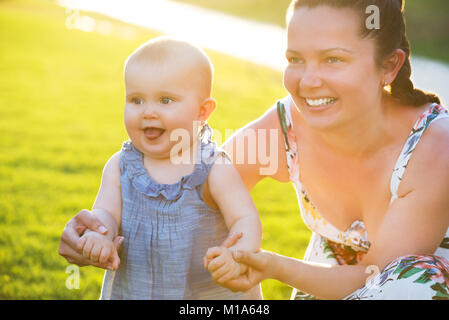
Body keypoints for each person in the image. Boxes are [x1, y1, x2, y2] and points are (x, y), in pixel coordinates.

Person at [60, 0, 449, 300]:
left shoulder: (435, 146)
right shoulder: (285, 128)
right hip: (327, 282)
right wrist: (99, 230)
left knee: (412, 285)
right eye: (295, 59)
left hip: (403, 286)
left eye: (333, 59)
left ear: (389, 66)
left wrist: (271, 265)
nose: (308, 81)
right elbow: (193, 184)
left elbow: (378, 276)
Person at [59, 36, 262, 300]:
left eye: (165, 100)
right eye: (136, 100)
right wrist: (99, 236)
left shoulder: (213, 168)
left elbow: (245, 219)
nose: (148, 112)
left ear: (202, 111)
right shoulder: (120, 166)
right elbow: (106, 212)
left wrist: (238, 254)